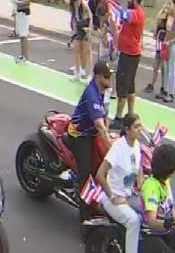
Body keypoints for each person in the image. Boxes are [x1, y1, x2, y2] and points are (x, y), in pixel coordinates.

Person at [64, 61, 114, 227]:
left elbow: (105, 119)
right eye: (107, 77)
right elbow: (99, 125)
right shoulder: (92, 93)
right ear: (98, 77)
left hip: (93, 133)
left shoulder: (105, 91)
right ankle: (85, 221)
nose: (110, 80)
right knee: (87, 175)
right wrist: (112, 151)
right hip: (80, 135)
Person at [97, 113, 145, 253]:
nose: (140, 129)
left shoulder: (136, 145)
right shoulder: (118, 148)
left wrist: (141, 186)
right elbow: (100, 175)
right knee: (134, 221)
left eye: (140, 126)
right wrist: (112, 196)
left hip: (129, 196)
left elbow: (139, 167)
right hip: (114, 199)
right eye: (136, 127)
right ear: (127, 129)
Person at [140, 144, 175, 253]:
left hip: (166, 232)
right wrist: (169, 224)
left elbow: (169, 208)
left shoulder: (165, 181)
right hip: (151, 235)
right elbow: (151, 221)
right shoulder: (151, 187)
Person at [113, 0, 145, 127]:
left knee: (123, 86)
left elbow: (123, 14)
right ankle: (131, 113)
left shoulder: (136, 14)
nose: (129, 1)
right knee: (130, 86)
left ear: (136, 0)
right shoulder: (137, 13)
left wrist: (109, 2)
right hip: (131, 53)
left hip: (129, 55)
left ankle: (119, 118)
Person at [68, 0, 93, 80]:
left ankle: (89, 74)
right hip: (78, 27)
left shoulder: (84, 5)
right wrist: (73, 30)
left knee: (87, 51)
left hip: (85, 25)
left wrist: (89, 30)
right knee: (77, 50)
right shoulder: (72, 7)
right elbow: (74, 18)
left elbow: (90, 17)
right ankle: (78, 73)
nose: (78, 2)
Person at [12, 0, 33, 64]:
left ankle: (26, 56)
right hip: (19, 11)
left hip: (24, 12)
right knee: (21, 34)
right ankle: (22, 54)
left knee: (24, 35)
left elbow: (28, 0)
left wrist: (19, 3)